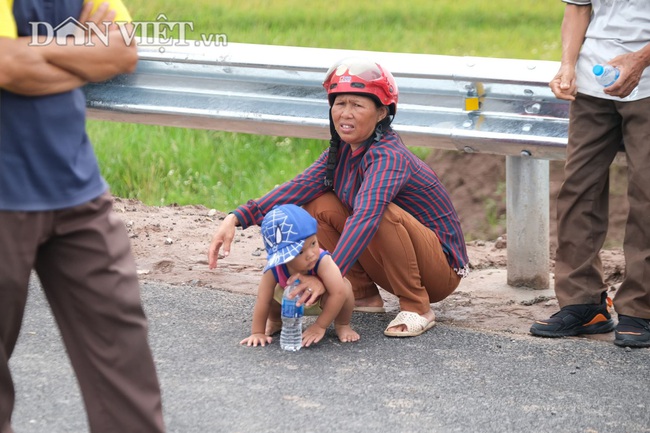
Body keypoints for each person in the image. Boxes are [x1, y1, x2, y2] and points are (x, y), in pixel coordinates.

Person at [209, 57, 469, 338]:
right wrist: (237, 217)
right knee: (316, 205)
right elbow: (297, 187)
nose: (346, 113)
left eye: (357, 105)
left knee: (377, 212)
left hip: (439, 271)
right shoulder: (343, 151)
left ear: (382, 113)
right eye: (340, 103)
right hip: (395, 262)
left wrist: (325, 278)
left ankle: (417, 306)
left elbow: (366, 219)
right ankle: (361, 294)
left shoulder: (389, 157)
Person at [0, 1, 166, 432]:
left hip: (78, 195)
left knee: (125, 371)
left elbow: (122, 52)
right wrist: (79, 49)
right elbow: (7, 65)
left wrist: (32, 49)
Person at [530, 0, 650, 348]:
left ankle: (641, 308)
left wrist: (640, 59)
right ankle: (583, 304)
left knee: (646, 197)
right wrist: (567, 65)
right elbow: (578, 9)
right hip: (592, 85)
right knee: (578, 191)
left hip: (647, 83)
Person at [240, 204, 359, 348]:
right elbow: (262, 299)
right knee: (270, 294)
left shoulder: (322, 261)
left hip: (323, 301)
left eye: (313, 243)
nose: (311, 254)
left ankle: (342, 324)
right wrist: (257, 332)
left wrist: (320, 326)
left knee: (344, 287)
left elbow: (338, 293)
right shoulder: (275, 268)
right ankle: (275, 321)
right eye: (300, 252)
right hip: (290, 300)